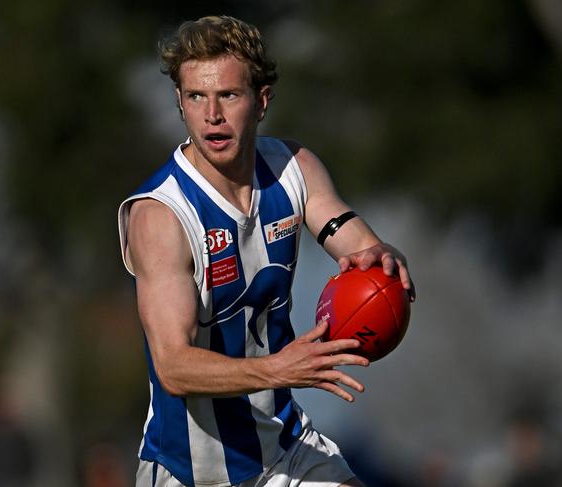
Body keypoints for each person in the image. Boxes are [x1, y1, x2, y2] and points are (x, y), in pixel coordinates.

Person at [118, 15, 415, 487]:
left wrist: (384, 257)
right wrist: (279, 369)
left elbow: (360, 248)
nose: (211, 114)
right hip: (191, 473)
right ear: (179, 101)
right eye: (196, 96)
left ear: (261, 101)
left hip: (284, 449)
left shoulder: (293, 169)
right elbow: (173, 366)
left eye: (228, 96)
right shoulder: (161, 216)